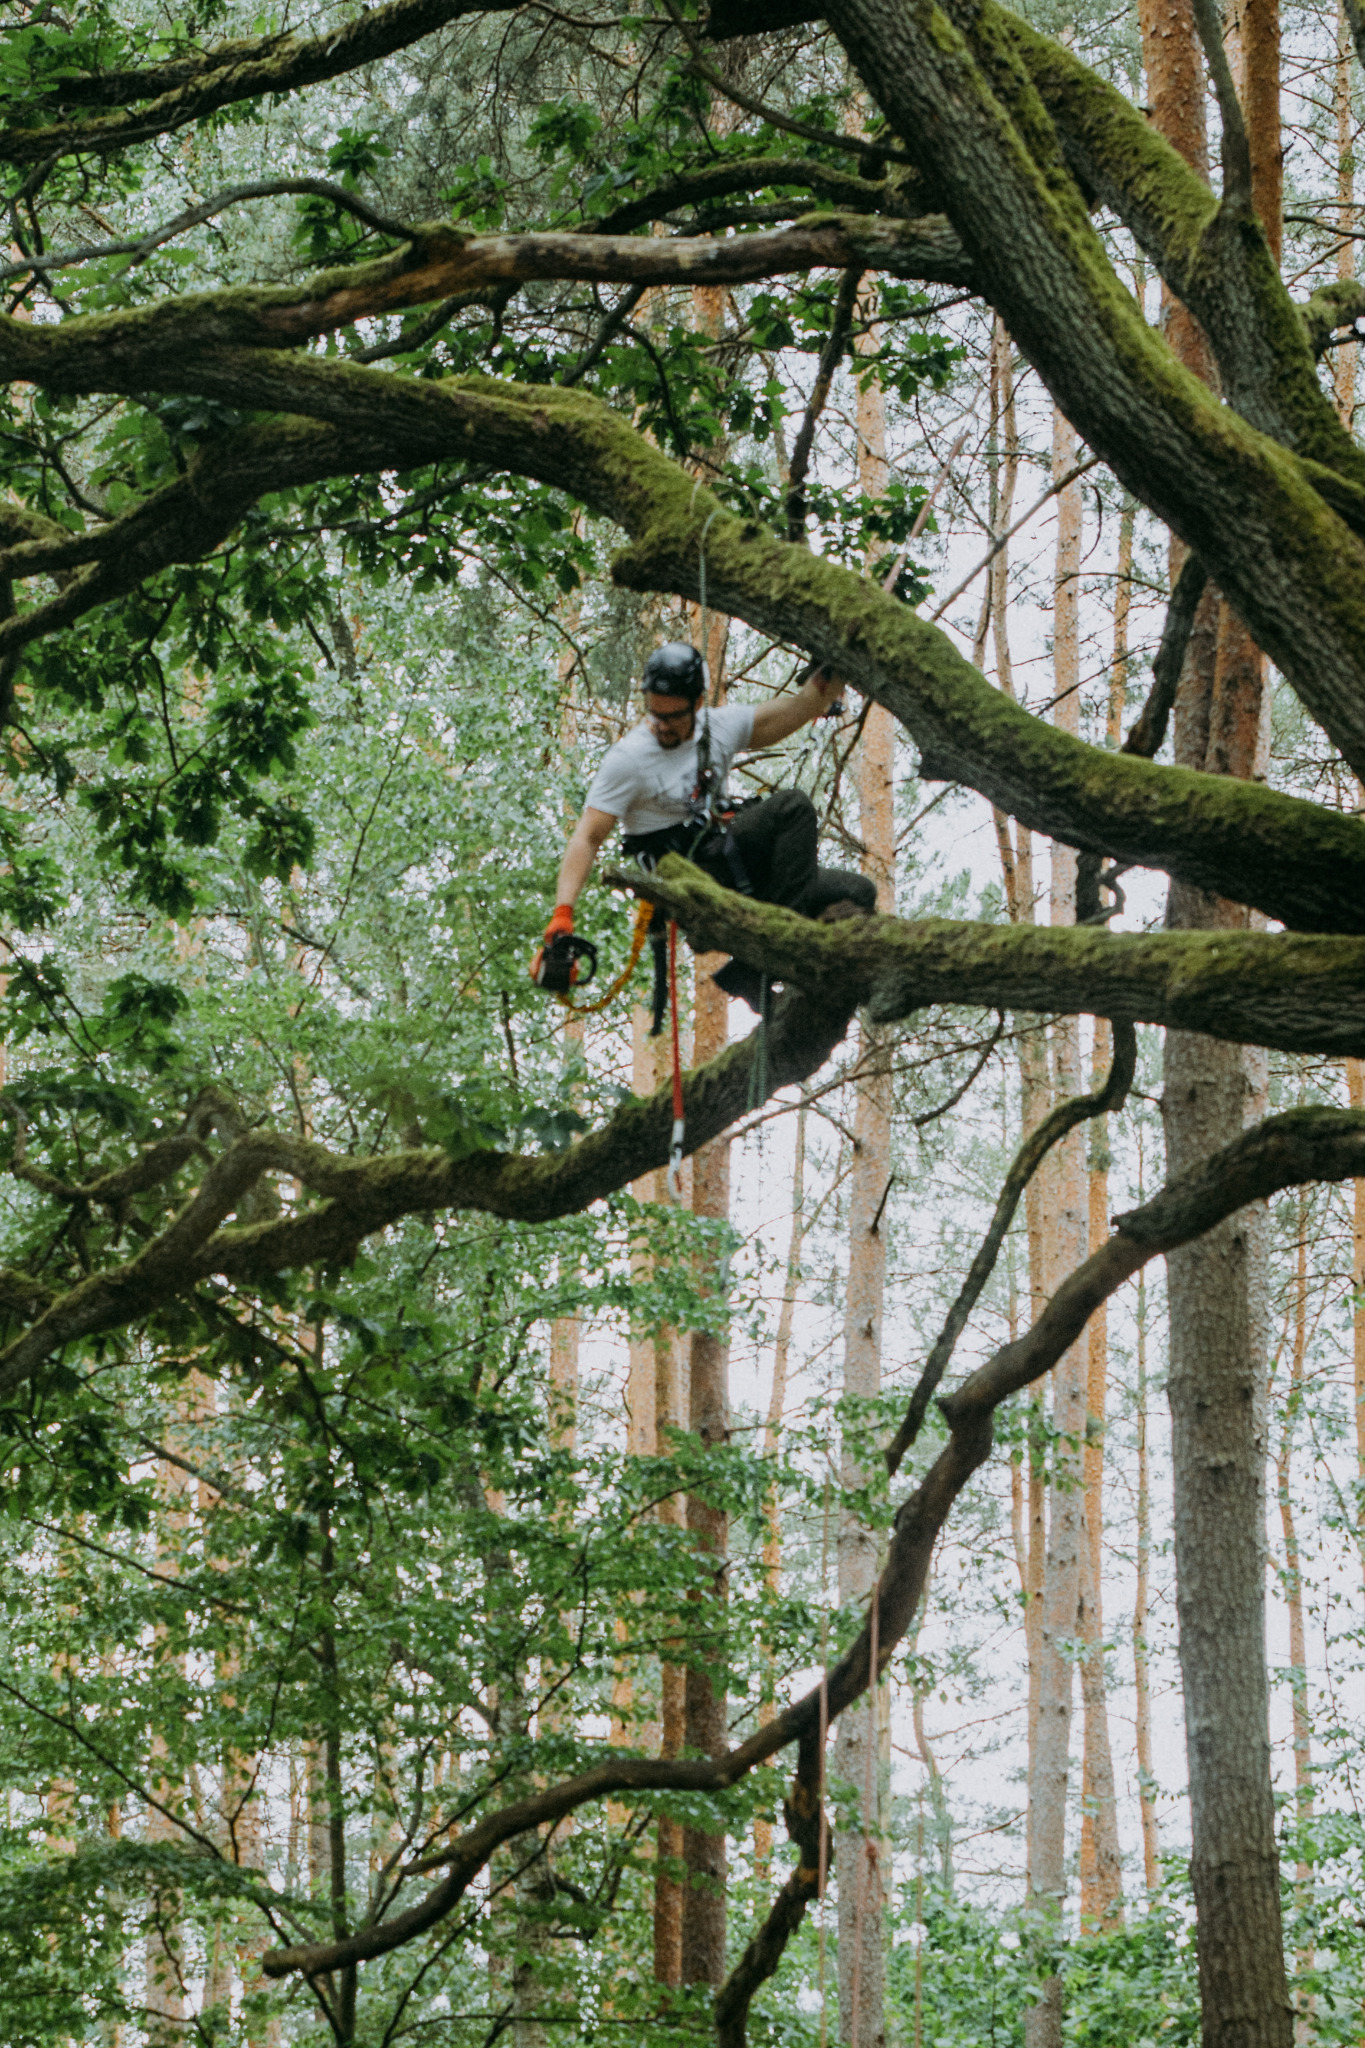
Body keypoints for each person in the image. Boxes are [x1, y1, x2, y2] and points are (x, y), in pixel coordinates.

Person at [542, 642, 876, 1009]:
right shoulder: (630, 759)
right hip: (692, 877)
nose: (661, 725)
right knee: (792, 807)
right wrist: (563, 912)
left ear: (698, 703)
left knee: (857, 893)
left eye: (673, 716)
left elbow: (800, 707)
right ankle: (778, 953)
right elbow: (588, 837)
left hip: (737, 864)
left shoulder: (718, 728)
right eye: (654, 713)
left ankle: (756, 971)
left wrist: (839, 659)